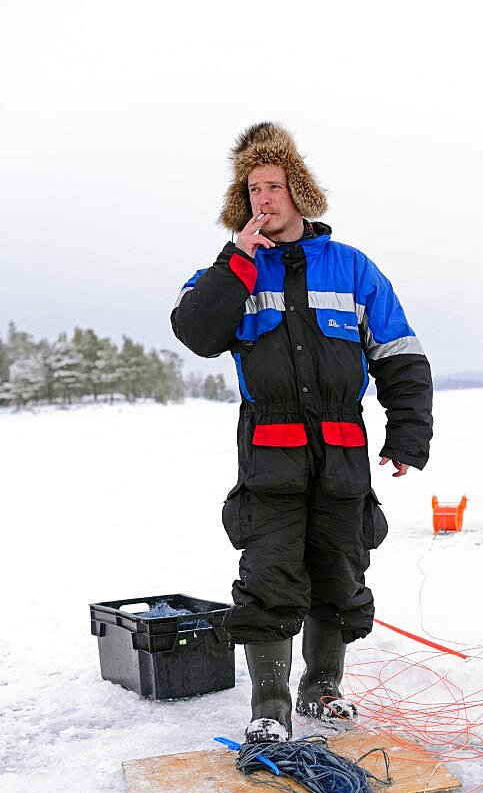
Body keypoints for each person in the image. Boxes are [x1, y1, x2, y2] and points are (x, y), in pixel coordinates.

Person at [171, 122, 433, 743]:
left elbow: (399, 354)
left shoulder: (351, 267)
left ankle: (324, 688)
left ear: (300, 192)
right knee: (268, 576)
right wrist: (237, 261)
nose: (265, 199)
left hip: (342, 451)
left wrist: (407, 435)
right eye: (253, 188)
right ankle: (269, 705)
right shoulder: (230, 270)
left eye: (275, 185)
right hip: (270, 453)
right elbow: (197, 332)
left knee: (339, 574)